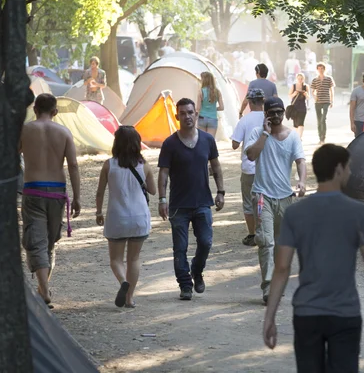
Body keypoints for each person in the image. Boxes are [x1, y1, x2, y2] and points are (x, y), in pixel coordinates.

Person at [263, 144, 364, 373]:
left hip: (307, 312)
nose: (350, 173)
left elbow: (282, 268)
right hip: (345, 313)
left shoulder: (295, 213)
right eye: (348, 168)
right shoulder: (358, 211)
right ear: (339, 169)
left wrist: (269, 317)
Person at [158, 98, 226, 301]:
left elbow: (216, 167)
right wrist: (162, 199)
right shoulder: (170, 143)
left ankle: (197, 270)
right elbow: (163, 173)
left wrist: (221, 191)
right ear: (177, 116)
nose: (187, 116)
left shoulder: (207, 140)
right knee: (180, 248)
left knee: (205, 242)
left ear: (196, 114)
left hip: (203, 202)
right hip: (179, 205)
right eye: (183, 113)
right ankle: (185, 285)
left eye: (190, 112)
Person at [20, 93, 81, 308]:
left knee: (36, 239)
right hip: (57, 192)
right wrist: (77, 197)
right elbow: (73, 166)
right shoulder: (64, 132)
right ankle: (44, 288)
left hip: (33, 190)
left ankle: (43, 288)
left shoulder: (25, 130)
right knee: (49, 241)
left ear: (35, 109)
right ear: (55, 112)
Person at [245, 96, 306, 303]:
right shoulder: (257, 133)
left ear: (284, 112)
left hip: (285, 198)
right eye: (272, 112)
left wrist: (302, 181)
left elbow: (301, 161)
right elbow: (251, 155)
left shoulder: (292, 137)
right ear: (266, 114)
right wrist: (265, 133)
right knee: (265, 241)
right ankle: (268, 288)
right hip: (262, 196)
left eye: (280, 112)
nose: (277, 116)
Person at [95, 126, 156, 308]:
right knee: (134, 259)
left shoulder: (109, 165)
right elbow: (153, 191)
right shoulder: (144, 165)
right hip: (139, 218)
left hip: (117, 217)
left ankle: (123, 282)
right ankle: (130, 298)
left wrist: (98, 212)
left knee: (116, 259)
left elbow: (100, 193)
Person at [231, 88, 266, 247]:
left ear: (250, 103)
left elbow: (234, 144)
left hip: (249, 167)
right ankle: (265, 232)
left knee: (248, 202)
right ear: (263, 102)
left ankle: (252, 235)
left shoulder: (244, 120)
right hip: (266, 168)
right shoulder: (269, 117)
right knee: (266, 200)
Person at [310, 62, 335, 144]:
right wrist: (314, 96)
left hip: (326, 101)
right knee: (319, 120)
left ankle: (323, 137)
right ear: (317, 69)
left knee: (323, 119)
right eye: (319, 68)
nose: (321, 70)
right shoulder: (315, 79)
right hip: (317, 101)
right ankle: (320, 137)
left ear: (324, 69)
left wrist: (332, 101)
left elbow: (331, 90)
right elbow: (312, 90)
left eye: (322, 68)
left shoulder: (329, 78)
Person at [197, 71, 225, 137]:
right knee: (210, 140)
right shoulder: (217, 92)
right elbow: (222, 107)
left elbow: (198, 108)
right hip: (213, 118)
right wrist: (213, 108)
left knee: (202, 139)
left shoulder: (201, 91)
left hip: (202, 117)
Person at [349, 70, 364, 137]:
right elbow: (352, 108)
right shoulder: (356, 91)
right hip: (359, 121)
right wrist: (352, 123)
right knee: (359, 140)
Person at [288, 73, 309, 139]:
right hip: (294, 107)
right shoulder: (293, 86)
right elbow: (289, 96)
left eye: (301, 79)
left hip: (302, 107)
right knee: (295, 124)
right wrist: (294, 94)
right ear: (296, 79)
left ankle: (299, 137)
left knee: (301, 123)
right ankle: (296, 137)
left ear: (303, 79)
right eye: (299, 78)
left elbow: (308, 97)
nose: (300, 80)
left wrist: (306, 94)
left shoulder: (306, 86)